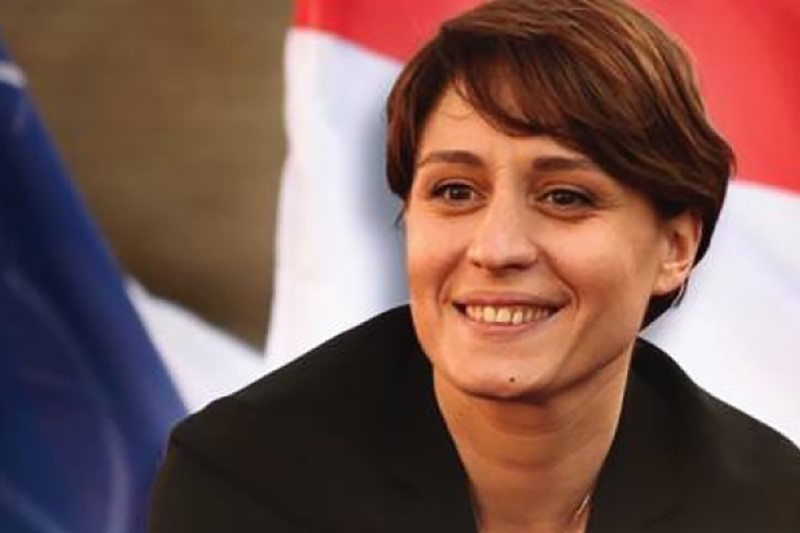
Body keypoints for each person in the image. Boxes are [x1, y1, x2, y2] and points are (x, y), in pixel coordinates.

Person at [149, 0, 800, 531]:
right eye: (456, 191)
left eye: (565, 197)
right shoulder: (248, 479)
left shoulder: (769, 505)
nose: (496, 247)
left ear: (675, 248)